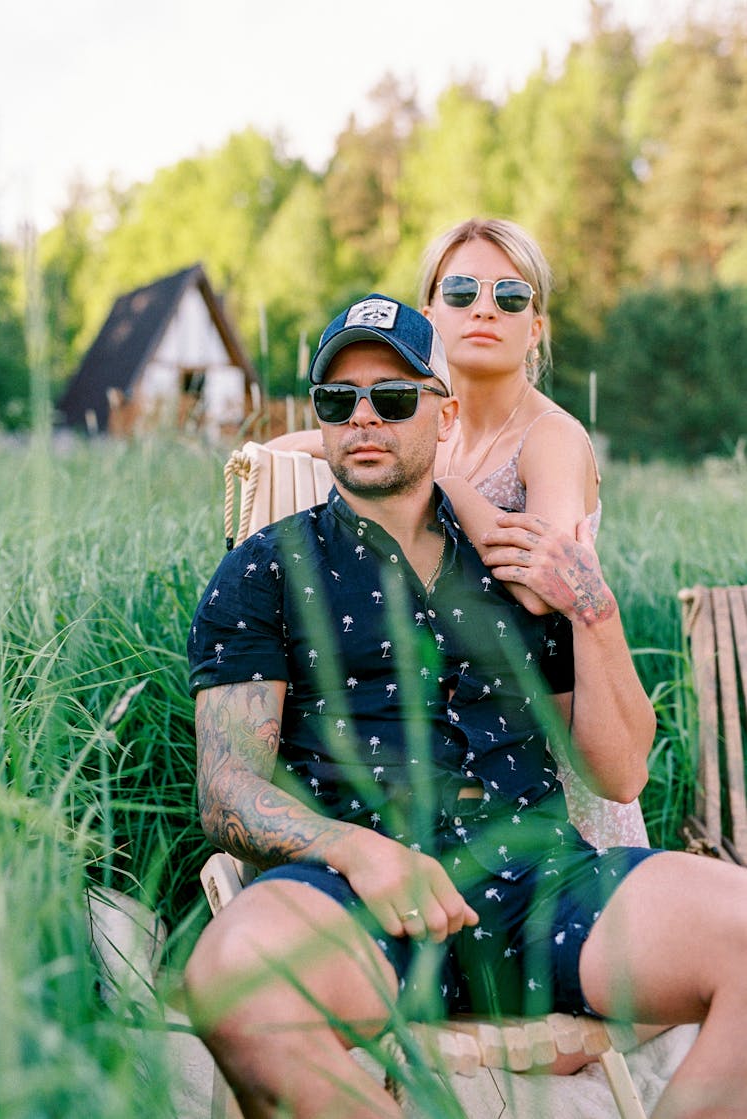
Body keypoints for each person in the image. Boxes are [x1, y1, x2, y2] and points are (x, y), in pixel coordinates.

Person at [185, 295, 747, 1119]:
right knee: (232, 977)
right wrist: (358, 852)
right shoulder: (267, 570)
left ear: (444, 416)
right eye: (338, 401)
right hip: (362, 898)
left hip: (541, 886)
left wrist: (594, 613)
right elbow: (227, 788)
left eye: (394, 395)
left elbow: (620, 772)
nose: (364, 417)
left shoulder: (511, 563)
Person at [269, 217, 647, 851]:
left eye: (511, 297)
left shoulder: (550, 437)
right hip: (462, 735)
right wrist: (319, 441)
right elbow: (292, 447)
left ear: (537, 329)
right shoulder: (431, 432)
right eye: (462, 292)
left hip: (546, 740)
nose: (485, 311)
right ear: (428, 317)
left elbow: (538, 586)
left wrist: (443, 482)